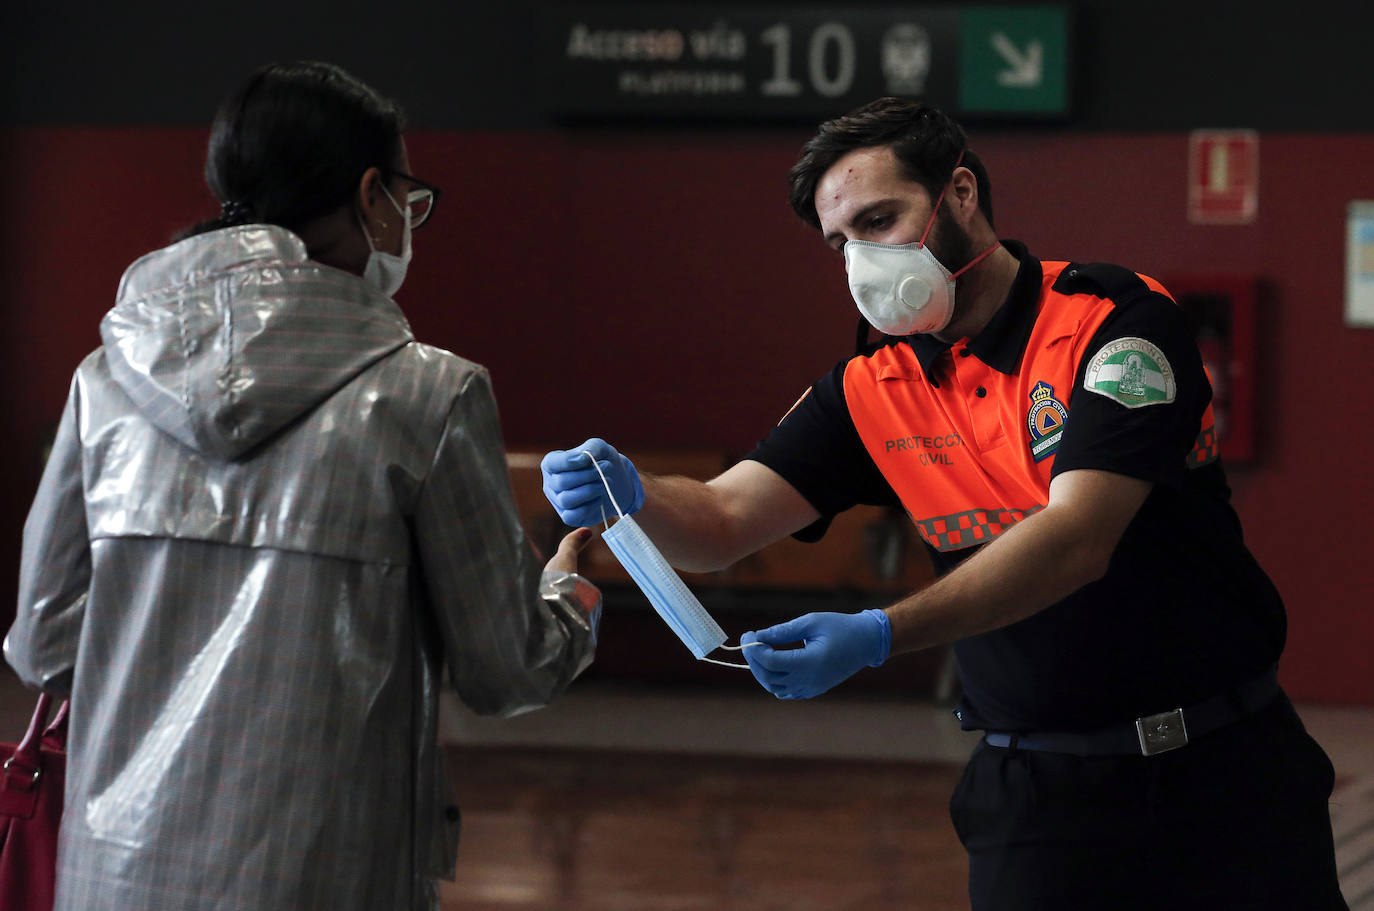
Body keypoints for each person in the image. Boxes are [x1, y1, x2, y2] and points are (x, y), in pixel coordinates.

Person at [540, 98, 1346, 908]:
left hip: (1226, 775)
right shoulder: (869, 389)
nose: (862, 262)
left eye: (880, 219)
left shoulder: (1113, 325)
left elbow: (1078, 539)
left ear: (959, 193)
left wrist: (882, 633)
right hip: (1037, 799)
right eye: (839, 243)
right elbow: (719, 523)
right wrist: (634, 494)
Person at [5, 61, 601, 911]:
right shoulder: (428, 395)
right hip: (332, 874)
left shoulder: (104, 382)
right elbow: (505, 668)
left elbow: (44, 646)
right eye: (409, 197)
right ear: (371, 195)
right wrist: (570, 597)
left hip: (115, 875)